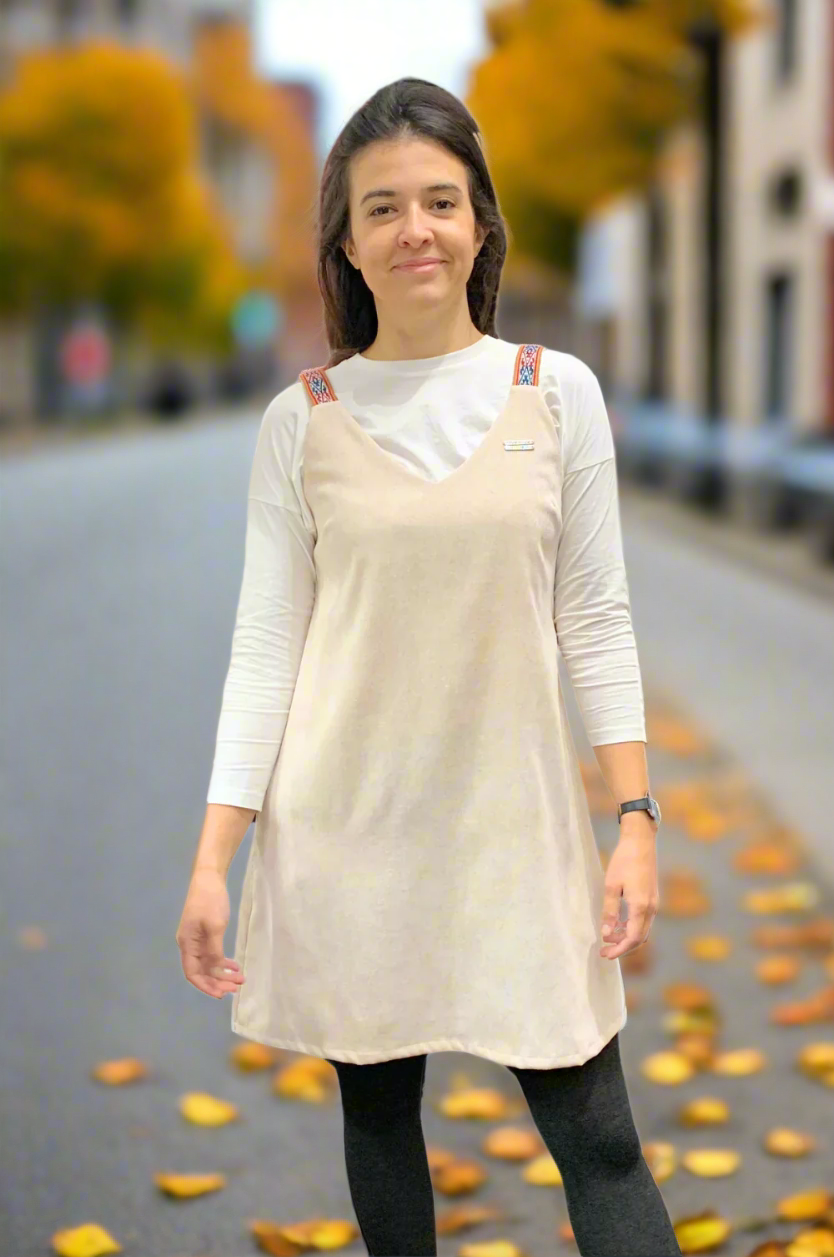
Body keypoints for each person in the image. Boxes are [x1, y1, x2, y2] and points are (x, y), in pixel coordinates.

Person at [176, 77, 682, 1257]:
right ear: (347, 245)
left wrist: (636, 818)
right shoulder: (300, 421)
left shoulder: (555, 394)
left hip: (518, 830)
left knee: (600, 1138)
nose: (417, 230)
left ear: (480, 225)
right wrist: (212, 859)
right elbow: (267, 646)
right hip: (348, 832)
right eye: (384, 207)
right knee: (379, 1120)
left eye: (441, 202)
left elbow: (596, 617)